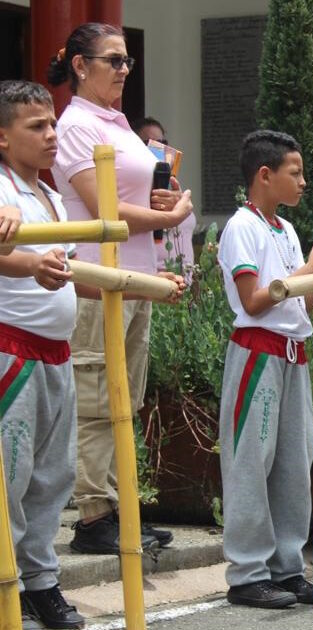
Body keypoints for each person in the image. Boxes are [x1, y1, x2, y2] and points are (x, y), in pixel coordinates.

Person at [49, 22, 190, 554]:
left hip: (134, 277)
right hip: (96, 277)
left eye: (128, 60)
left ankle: (118, 505)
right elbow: (104, 207)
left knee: (124, 400)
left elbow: (140, 195)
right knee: (96, 398)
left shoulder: (119, 123)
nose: (124, 70)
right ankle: (93, 515)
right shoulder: (77, 125)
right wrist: (169, 215)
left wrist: (165, 202)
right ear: (81, 67)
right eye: (114, 60)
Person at [217, 130, 313, 608]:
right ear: (264, 175)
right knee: (251, 459)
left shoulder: (284, 229)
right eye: (295, 173)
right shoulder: (239, 227)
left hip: (293, 352)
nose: (303, 183)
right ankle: (247, 572)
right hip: (257, 351)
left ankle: (286, 565)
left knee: (294, 460)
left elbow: (299, 301)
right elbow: (254, 300)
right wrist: (310, 270)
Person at [0, 80, 86, 630]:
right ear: (3, 138)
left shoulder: (52, 195)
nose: (52, 136)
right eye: (37, 126)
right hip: (13, 350)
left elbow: (73, 274)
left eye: (53, 124)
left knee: (52, 479)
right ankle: (4, 587)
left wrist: (147, 283)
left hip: (57, 354)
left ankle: (39, 582)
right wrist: (26, 262)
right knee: (8, 478)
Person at [133, 116, 196, 278]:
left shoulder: (173, 184)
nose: (158, 148)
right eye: (149, 142)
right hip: (157, 282)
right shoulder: (135, 192)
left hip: (185, 285)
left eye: (162, 143)